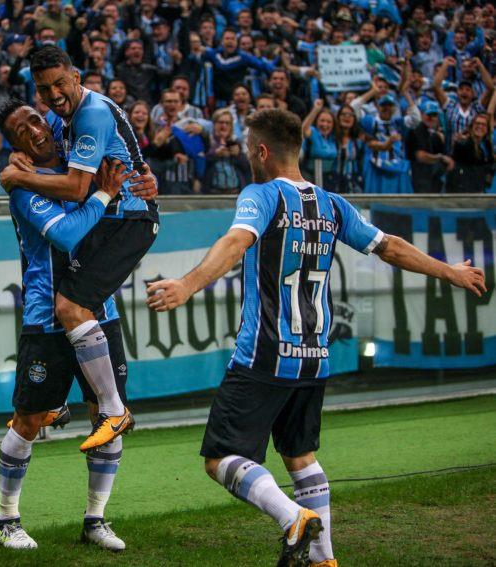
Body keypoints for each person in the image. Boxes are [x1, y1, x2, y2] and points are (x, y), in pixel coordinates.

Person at [146, 108, 487, 567]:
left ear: (262, 152)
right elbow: (389, 246)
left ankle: (293, 519)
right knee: (300, 455)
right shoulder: (333, 204)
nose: (247, 154)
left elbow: (236, 242)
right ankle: (324, 559)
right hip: (314, 355)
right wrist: (449, 271)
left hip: (264, 355)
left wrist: (186, 285)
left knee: (220, 457)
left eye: (249, 148)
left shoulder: (261, 194)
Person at [0, 45, 158, 452]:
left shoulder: (89, 114)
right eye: (43, 89)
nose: (53, 96)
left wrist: (19, 179)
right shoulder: (60, 116)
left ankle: (112, 409)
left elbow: (75, 187)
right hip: (119, 215)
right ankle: (56, 401)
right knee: (71, 309)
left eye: (59, 84)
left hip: (128, 219)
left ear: (76, 76)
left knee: (70, 308)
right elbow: (37, 135)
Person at [0, 99, 136, 552]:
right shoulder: (23, 187)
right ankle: (7, 520)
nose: (32, 132)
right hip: (46, 318)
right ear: (13, 145)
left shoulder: (79, 151)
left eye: (34, 120)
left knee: (106, 416)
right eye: (19, 131)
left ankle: (95, 519)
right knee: (29, 418)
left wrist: (141, 185)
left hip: (100, 311)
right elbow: (68, 234)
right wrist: (104, 195)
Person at [407, 100, 452, 193]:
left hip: (434, 180)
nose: (432, 118)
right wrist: (440, 158)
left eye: (434, 115)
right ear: (422, 115)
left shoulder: (436, 136)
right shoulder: (416, 132)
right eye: (429, 115)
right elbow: (421, 156)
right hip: (419, 180)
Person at [447, 113, 495, 193]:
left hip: (479, 188)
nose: (480, 126)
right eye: (477, 123)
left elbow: (490, 163)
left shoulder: (487, 145)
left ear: (487, 129)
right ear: (471, 127)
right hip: (462, 188)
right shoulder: (464, 144)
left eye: (483, 125)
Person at [203, 107, 248, 194]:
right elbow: (200, 167)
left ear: (231, 127)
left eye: (227, 123)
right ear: (214, 124)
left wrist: (238, 155)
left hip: (236, 192)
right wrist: (215, 154)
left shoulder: (236, 143)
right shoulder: (206, 141)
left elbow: (246, 168)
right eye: (221, 122)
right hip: (213, 193)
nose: (224, 126)